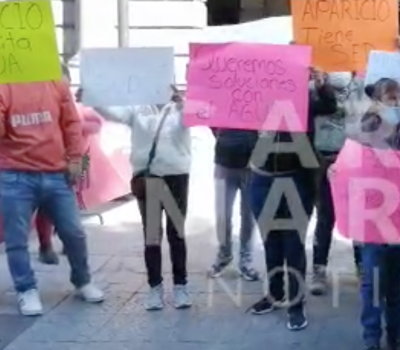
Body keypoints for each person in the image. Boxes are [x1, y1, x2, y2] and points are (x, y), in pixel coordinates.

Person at [0, 77, 104, 316]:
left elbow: (71, 123)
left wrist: (75, 158)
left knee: (74, 232)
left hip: (56, 174)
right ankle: (26, 288)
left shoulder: (55, 83)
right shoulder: (1, 86)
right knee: (16, 239)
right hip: (15, 175)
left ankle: (82, 280)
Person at [246, 69, 337, 332]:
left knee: (293, 244)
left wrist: (322, 86)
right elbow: (227, 123)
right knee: (271, 242)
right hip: (262, 180)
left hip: (296, 179)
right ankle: (275, 294)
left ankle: (296, 304)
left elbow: (329, 106)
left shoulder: (305, 98)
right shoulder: (254, 99)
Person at [93, 86, 194, 310]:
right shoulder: (138, 108)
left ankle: (180, 286)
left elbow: (199, 117)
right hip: (149, 178)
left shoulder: (180, 108)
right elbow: (114, 114)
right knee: (152, 235)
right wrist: (94, 98)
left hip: (176, 176)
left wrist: (183, 104)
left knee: (176, 234)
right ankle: (155, 288)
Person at [348, 77, 400, 350]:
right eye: (390, 97)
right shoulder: (365, 127)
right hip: (374, 218)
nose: (397, 103)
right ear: (377, 101)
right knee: (373, 284)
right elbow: (351, 163)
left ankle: (397, 336)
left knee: (398, 283)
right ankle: (372, 339)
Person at [36, 64, 100, 265]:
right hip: (49, 162)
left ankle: (67, 240)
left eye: (62, 79)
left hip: (76, 160)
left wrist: (75, 126)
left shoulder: (77, 103)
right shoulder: (41, 102)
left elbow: (96, 124)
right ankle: (45, 245)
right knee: (46, 206)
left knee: (70, 203)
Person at [311, 71, 365, 295]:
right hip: (323, 160)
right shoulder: (314, 87)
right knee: (325, 217)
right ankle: (319, 270)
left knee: (358, 217)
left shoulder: (362, 87)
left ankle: (362, 267)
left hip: (354, 160)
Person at [208, 125, 260, 281]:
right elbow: (212, 122)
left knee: (248, 216)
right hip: (224, 162)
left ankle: (246, 260)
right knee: (222, 214)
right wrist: (224, 138)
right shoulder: (222, 109)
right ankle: (224, 254)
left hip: (252, 166)